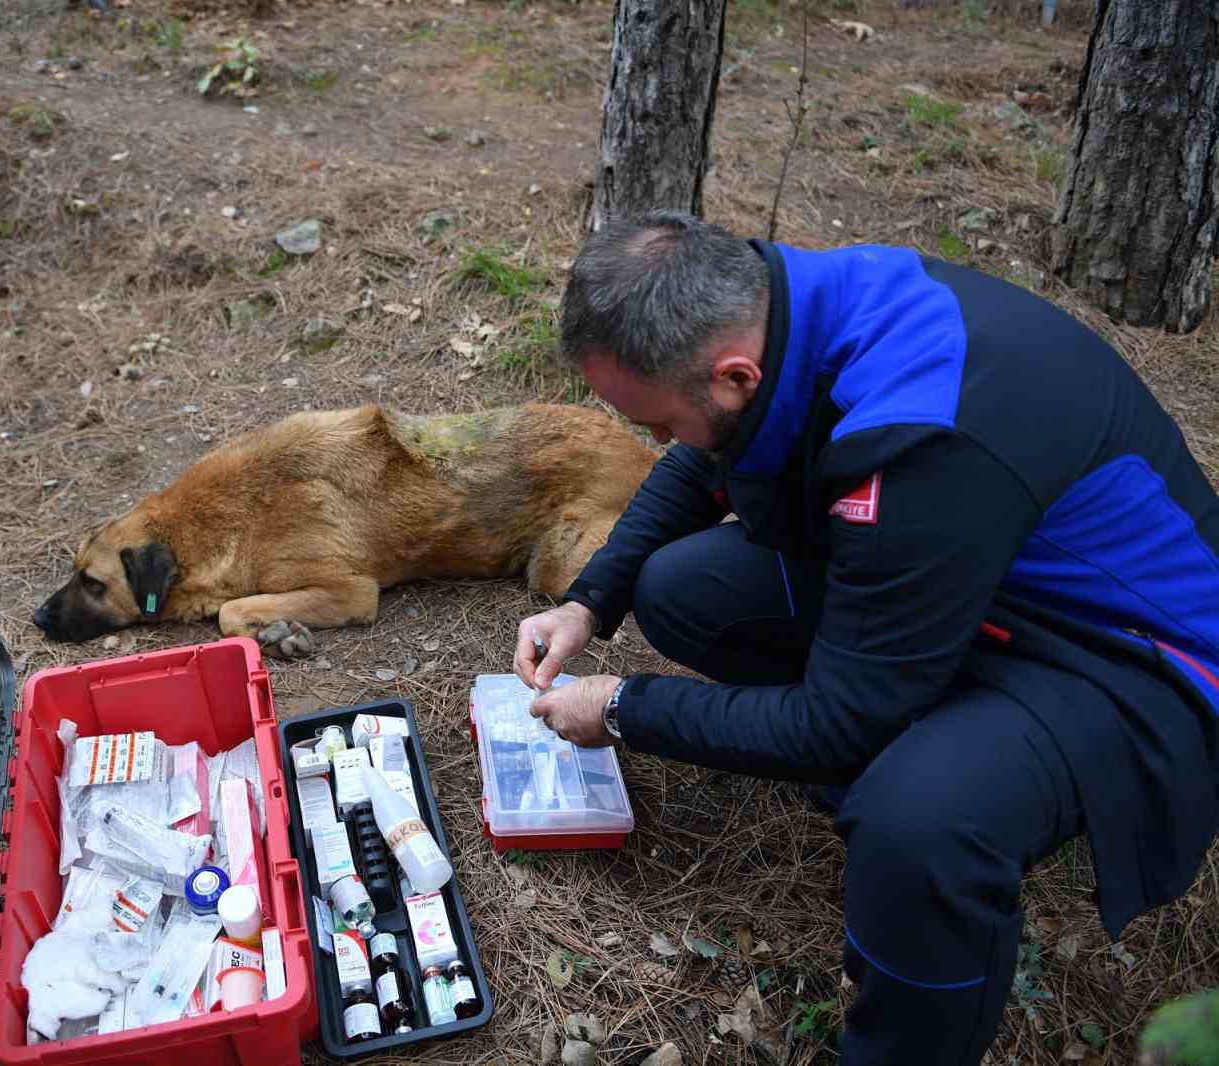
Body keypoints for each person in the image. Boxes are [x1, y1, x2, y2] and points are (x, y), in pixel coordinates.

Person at [515, 210, 1219, 1066]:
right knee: (679, 589)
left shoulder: (919, 437)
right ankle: (935, 740)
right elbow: (700, 460)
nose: (658, 441)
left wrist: (625, 706)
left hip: (1118, 656)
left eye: (658, 423)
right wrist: (590, 602)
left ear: (734, 374)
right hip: (973, 577)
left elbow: (840, 720)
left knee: (917, 824)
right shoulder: (790, 304)